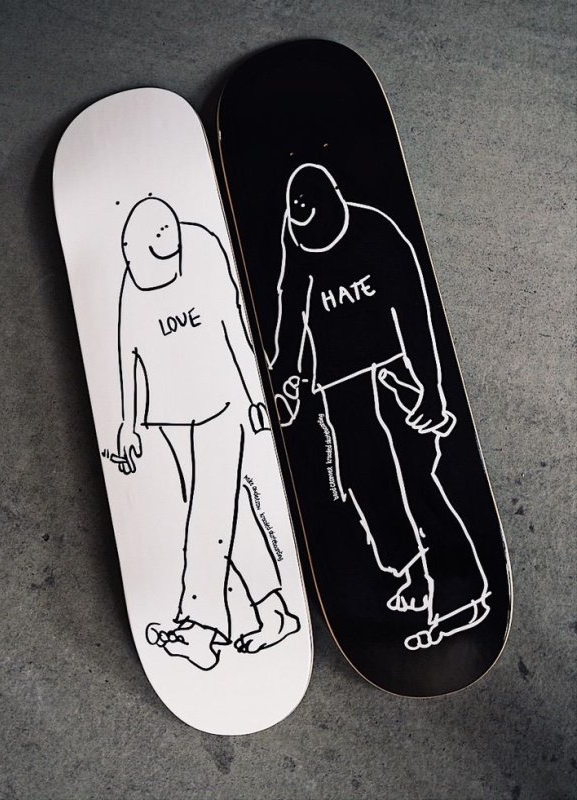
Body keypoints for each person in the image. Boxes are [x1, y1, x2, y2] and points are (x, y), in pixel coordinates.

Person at [270, 164, 489, 650]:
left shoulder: (377, 231)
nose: (309, 239)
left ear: (335, 203)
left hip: (393, 367)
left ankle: (458, 592)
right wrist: (285, 373)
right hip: (337, 378)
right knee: (363, 481)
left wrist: (431, 387)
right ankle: (414, 568)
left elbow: (414, 311)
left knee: (414, 476)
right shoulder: (295, 233)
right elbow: (293, 304)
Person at [115, 196, 299, 669]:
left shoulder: (203, 249)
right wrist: (129, 423)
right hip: (171, 414)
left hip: (222, 402)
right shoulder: (134, 271)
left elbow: (233, 323)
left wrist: (255, 394)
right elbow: (128, 351)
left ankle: (200, 628)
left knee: (209, 511)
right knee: (229, 511)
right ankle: (274, 614)